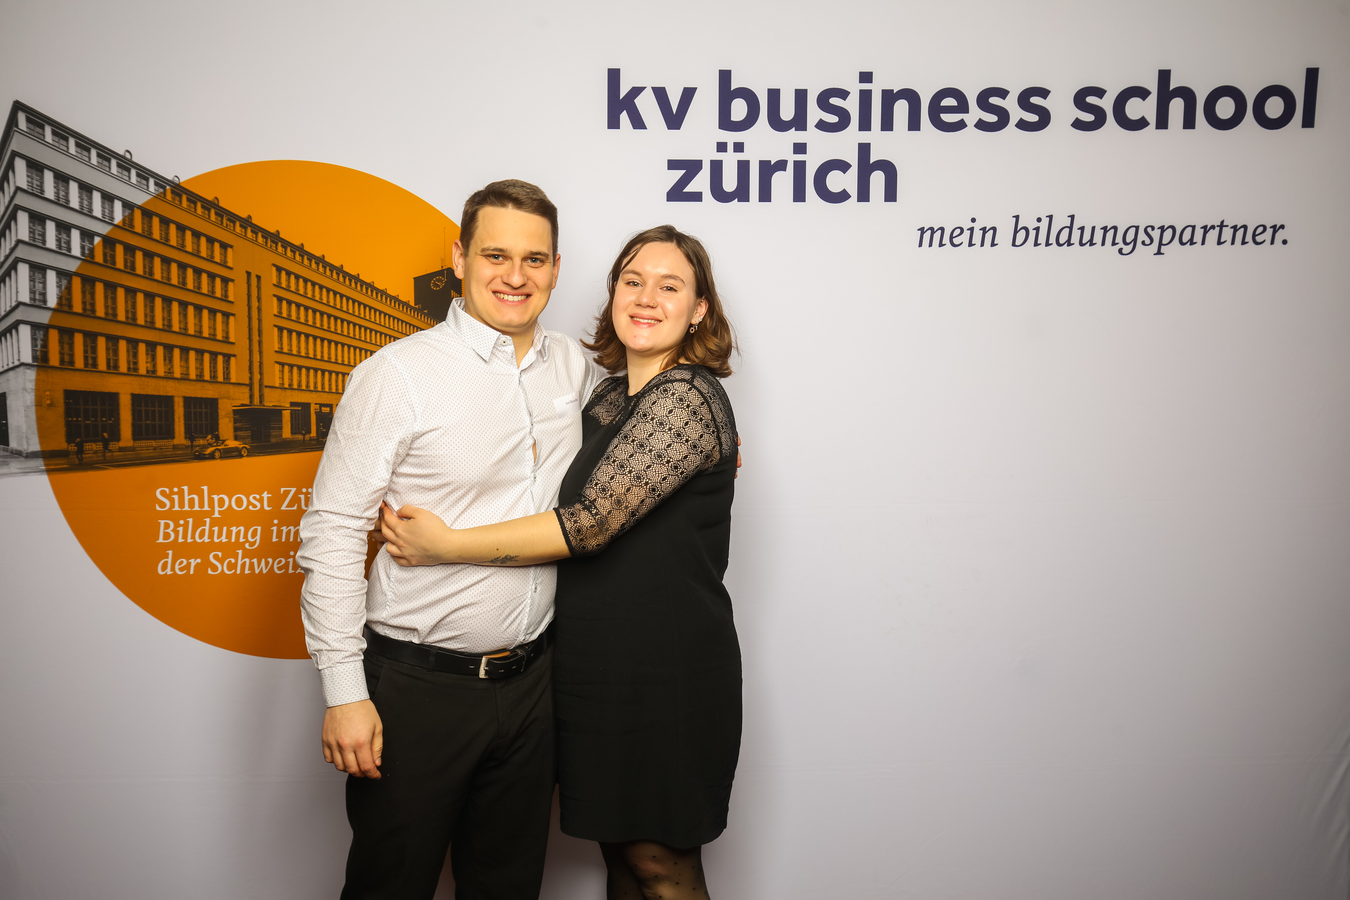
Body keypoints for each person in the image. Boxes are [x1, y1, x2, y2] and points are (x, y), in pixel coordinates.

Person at [380, 225, 741, 900]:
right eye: (632, 281)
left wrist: (446, 545)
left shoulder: (687, 397)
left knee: (660, 864)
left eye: (670, 287)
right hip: (594, 667)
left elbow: (591, 522)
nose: (646, 298)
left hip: (665, 670)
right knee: (623, 859)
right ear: (612, 295)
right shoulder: (607, 397)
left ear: (699, 310)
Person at [297, 179, 605, 900]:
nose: (515, 276)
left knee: (508, 888)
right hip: (417, 690)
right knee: (389, 886)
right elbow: (334, 530)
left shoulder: (574, 366)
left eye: (534, 259)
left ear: (556, 269)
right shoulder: (397, 376)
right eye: (496, 255)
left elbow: (642, 420)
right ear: (460, 259)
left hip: (533, 687)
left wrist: (706, 433)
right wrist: (344, 692)